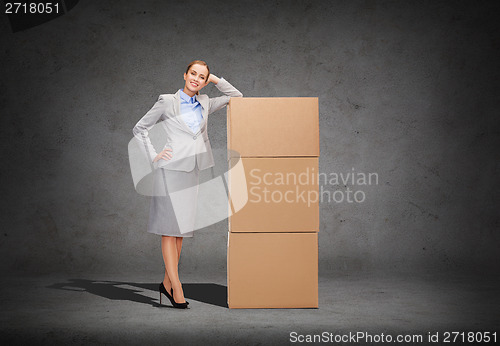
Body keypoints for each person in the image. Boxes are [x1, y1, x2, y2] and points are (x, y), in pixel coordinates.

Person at [132, 60, 243, 309]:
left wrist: (215, 79)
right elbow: (140, 129)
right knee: (169, 229)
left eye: (201, 77)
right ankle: (177, 286)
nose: (196, 78)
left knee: (180, 231)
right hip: (169, 170)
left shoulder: (205, 102)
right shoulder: (166, 101)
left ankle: (166, 284)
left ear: (205, 82)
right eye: (193, 73)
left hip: (192, 171)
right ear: (184, 75)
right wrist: (153, 155)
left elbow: (237, 96)